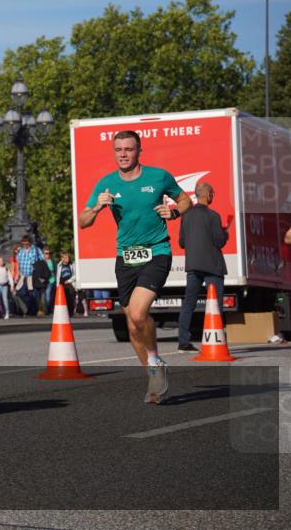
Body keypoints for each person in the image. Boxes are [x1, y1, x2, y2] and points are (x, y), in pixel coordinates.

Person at [78, 130, 192, 404]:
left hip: (157, 252)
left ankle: (154, 362)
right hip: (126, 258)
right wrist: (96, 208)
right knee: (131, 325)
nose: (123, 154)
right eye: (119, 150)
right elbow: (83, 221)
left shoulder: (158, 177)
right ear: (114, 152)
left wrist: (174, 212)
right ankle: (155, 374)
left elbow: (186, 199)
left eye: (129, 149)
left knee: (139, 314)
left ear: (139, 150)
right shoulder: (106, 183)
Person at [176, 182, 229, 354]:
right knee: (215, 305)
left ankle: (183, 342)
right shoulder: (213, 216)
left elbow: (182, 243)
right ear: (208, 195)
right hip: (212, 266)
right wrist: (225, 232)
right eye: (213, 193)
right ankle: (217, 340)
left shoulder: (186, 216)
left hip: (192, 265)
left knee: (188, 303)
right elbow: (219, 241)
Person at [14, 236, 44, 316]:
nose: (25, 245)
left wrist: (40, 274)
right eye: (23, 244)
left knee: (33, 295)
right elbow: (18, 262)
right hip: (23, 276)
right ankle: (27, 308)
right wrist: (17, 275)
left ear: (30, 243)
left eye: (26, 243)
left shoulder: (36, 250)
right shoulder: (20, 251)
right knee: (19, 293)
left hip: (32, 276)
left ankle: (32, 311)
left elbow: (42, 261)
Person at [57, 252, 76, 316]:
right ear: (62, 258)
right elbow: (57, 276)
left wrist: (69, 281)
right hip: (62, 284)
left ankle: (71, 312)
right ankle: (63, 313)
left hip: (69, 283)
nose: (67, 259)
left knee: (70, 298)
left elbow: (75, 275)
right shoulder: (59, 265)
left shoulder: (72, 265)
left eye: (68, 257)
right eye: (65, 257)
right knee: (63, 298)